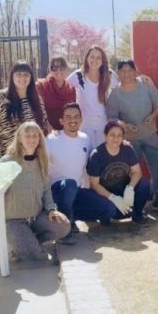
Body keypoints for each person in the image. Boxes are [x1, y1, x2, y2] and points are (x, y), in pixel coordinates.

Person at [3, 121, 70, 261]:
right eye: (27, 136)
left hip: (36, 217)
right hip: (15, 220)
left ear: (40, 139)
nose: (31, 139)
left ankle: (27, 241)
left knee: (63, 226)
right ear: (20, 138)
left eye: (35, 136)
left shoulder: (42, 161)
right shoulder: (7, 162)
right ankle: (19, 243)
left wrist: (52, 210)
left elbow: (46, 189)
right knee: (40, 257)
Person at [106, 59, 158, 209]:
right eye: (123, 71)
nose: (126, 74)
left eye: (129, 70)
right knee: (130, 172)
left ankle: (157, 197)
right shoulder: (115, 94)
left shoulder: (145, 85)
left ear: (135, 71)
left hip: (150, 134)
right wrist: (124, 125)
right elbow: (111, 116)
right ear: (118, 73)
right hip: (130, 139)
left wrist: (153, 116)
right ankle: (133, 201)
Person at [86, 121, 151, 225]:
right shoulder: (96, 155)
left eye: (119, 135)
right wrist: (112, 197)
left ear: (123, 137)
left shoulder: (127, 149)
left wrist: (130, 188)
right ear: (105, 136)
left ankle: (137, 215)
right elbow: (94, 184)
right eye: (112, 135)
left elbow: (137, 172)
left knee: (144, 184)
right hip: (106, 194)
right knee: (112, 211)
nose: (116, 138)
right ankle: (105, 215)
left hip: (123, 190)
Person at [46, 102, 91, 243]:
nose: (73, 120)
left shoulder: (86, 139)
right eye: (68, 117)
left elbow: (94, 161)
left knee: (107, 209)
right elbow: (42, 168)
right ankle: (63, 230)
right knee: (70, 184)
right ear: (61, 121)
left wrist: (123, 143)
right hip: (57, 192)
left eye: (77, 116)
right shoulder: (51, 140)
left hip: (76, 191)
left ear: (81, 119)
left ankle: (72, 217)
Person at [0, 61, 52, 156]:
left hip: (32, 157)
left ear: (31, 78)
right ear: (12, 76)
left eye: (26, 74)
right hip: (7, 157)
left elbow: (45, 124)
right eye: (18, 74)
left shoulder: (37, 98)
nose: (22, 77)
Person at [67, 46, 119, 148]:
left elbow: (125, 83)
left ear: (102, 60)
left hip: (103, 123)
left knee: (102, 156)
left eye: (98, 57)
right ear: (87, 58)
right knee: (86, 157)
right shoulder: (78, 76)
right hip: (85, 124)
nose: (94, 60)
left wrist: (141, 78)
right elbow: (62, 85)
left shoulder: (109, 75)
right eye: (92, 56)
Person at [36, 56, 76, 130]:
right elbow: (38, 112)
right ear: (50, 70)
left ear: (67, 69)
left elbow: (72, 112)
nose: (58, 71)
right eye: (54, 68)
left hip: (66, 132)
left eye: (62, 67)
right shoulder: (41, 86)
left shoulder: (71, 90)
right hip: (47, 132)